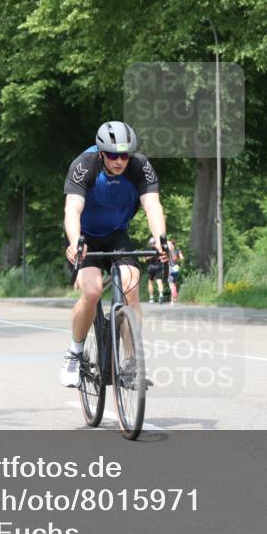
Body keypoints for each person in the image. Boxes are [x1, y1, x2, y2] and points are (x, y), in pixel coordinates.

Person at [60, 121, 167, 387]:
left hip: (117, 233)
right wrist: (75, 242)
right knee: (93, 291)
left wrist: (160, 239)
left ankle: (131, 364)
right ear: (100, 153)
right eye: (112, 155)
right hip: (86, 235)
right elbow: (72, 208)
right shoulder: (84, 165)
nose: (119, 161)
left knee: (131, 286)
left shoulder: (140, 167)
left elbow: (153, 205)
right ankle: (74, 354)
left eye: (124, 155)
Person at [145, 236, 166, 304]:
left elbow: (145, 259)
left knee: (150, 282)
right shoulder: (159, 250)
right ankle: (161, 295)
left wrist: (148, 258)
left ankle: (151, 298)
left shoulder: (148, 250)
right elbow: (163, 257)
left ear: (150, 243)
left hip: (151, 267)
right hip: (158, 266)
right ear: (155, 243)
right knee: (159, 281)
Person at [167, 240, 184, 304]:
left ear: (171, 245)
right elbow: (182, 258)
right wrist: (181, 265)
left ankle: (173, 296)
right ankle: (172, 300)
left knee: (171, 285)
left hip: (170, 268)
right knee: (174, 284)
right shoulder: (177, 251)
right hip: (176, 268)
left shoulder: (168, 252)